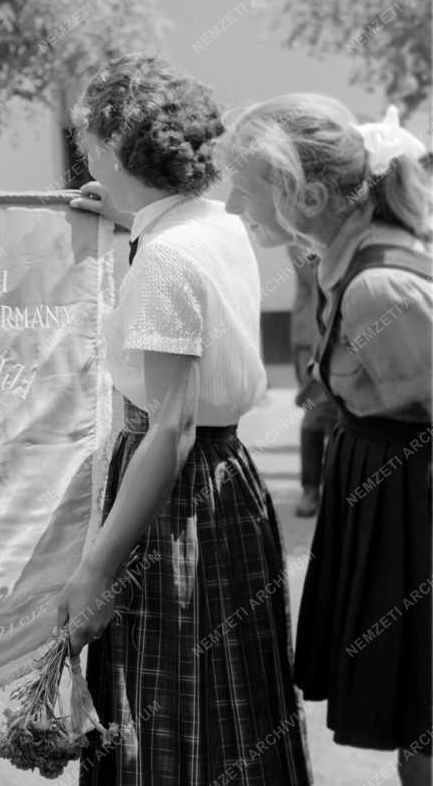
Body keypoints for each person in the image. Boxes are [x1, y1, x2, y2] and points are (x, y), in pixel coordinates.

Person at [60, 54, 310, 785]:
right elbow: (173, 236)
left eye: (87, 141)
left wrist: (95, 569)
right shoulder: (218, 227)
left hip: (172, 497)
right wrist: (124, 217)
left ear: (110, 146)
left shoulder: (165, 259)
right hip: (228, 480)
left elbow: (167, 430)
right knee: (234, 712)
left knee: (170, 717)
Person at [219, 97, 431, 786]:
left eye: (244, 189)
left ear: (303, 196)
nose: (229, 207)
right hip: (394, 499)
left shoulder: (378, 286)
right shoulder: (344, 259)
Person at [289, 248, 338, 517]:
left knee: (341, 418)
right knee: (315, 413)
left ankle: (336, 489)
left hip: (342, 336)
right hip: (310, 340)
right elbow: (317, 275)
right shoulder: (302, 237)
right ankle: (311, 489)